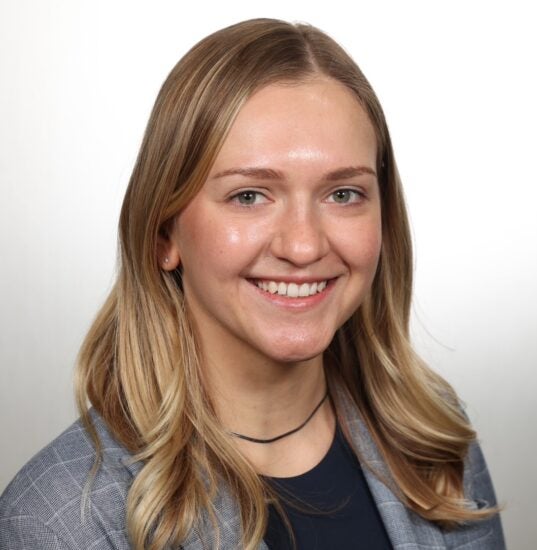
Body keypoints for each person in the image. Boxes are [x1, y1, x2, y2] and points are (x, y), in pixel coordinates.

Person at [0, 18, 505, 550]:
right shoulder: (59, 522)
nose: (304, 246)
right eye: (249, 196)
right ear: (163, 234)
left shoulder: (435, 443)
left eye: (343, 194)